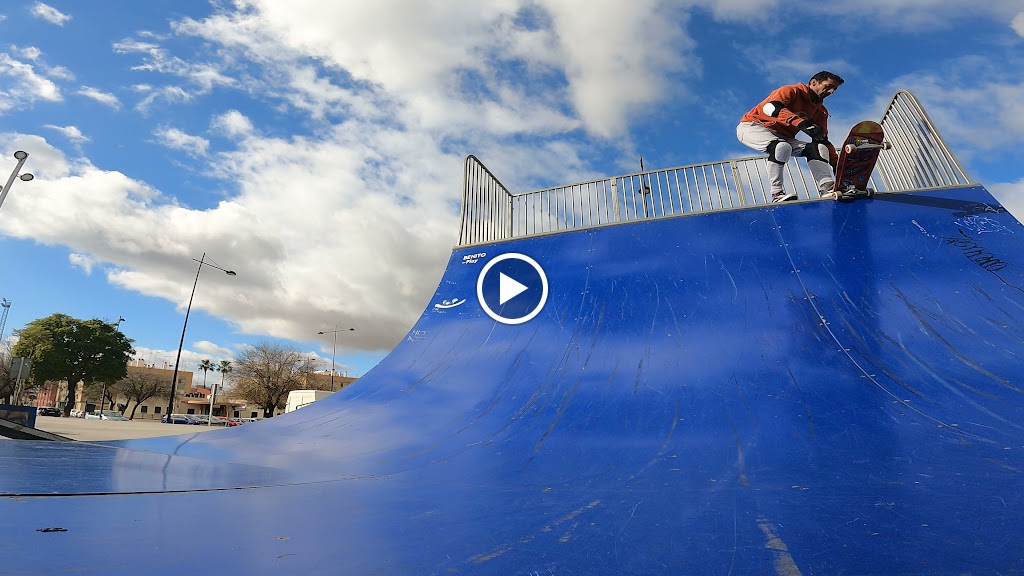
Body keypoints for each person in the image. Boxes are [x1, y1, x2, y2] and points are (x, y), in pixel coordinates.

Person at [737, 71, 844, 202]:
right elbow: (770, 108)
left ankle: (827, 187)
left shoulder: (821, 112)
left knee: (819, 147)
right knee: (781, 147)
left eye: (834, 89)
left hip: (783, 136)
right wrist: (800, 122)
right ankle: (777, 194)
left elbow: (823, 140)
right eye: (828, 86)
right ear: (814, 82)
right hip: (753, 126)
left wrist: (838, 166)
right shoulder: (791, 91)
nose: (831, 91)